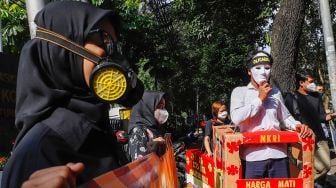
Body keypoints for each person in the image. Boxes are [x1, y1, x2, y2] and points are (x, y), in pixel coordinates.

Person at [1, 1, 144, 188]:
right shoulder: (39, 149)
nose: (112, 57)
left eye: (114, 45)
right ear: (61, 50)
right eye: (104, 39)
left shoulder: (92, 128)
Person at [230, 50, 312, 179]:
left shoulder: (275, 92)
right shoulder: (240, 92)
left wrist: (298, 125)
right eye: (258, 67)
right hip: (252, 157)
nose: (263, 72)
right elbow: (236, 118)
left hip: (279, 155)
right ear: (249, 71)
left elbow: (284, 117)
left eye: (267, 68)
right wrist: (259, 99)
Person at [284, 71, 336, 187]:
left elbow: (322, 116)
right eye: (311, 82)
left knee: (326, 166)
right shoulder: (291, 97)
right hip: (301, 139)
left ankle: (301, 183)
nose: (313, 84)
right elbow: (286, 119)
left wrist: (331, 116)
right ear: (301, 83)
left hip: (319, 137)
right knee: (305, 166)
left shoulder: (316, 96)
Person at [128, 91, 169, 161]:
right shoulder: (138, 131)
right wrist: (152, 148)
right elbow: (139, 164)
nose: (163, 110)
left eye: (163, 107)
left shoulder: (154, 128)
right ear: (147, 108)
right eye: (159, 106)